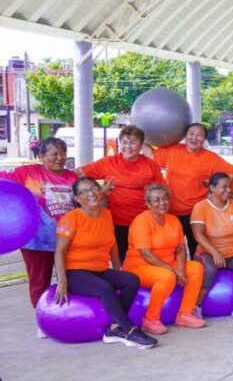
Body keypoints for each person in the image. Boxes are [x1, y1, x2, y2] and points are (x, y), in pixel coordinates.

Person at [53, 177, 156, 349]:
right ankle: (129, 330)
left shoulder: (106, 214)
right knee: (104, 288)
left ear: (100, 191)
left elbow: (113, 244)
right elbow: (59, 251)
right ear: (77, 199)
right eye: (84, 192)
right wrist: (62, 281)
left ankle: (115, 328)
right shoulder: (69, 219)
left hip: (99, 269)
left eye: (93, 188)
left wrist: (118, 269)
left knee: (131, 280)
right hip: (75, 272)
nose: (91, 194)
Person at [0, 137, 78, 314]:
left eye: (63, 153)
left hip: (67, 240)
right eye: (54, 154)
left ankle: (63, 314)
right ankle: (41, 315)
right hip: (37, 241)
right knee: (39, 281)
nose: (60, 158)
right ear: (42, 156)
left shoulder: (72, 176)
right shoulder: (26, 172)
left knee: (69, 279)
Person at [124, 184, 206, 335]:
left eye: (165, 198)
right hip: (140, 266)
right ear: (148, 204)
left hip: (167, 264)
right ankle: (151, 319)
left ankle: (185, 314)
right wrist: (175, 271)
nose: (162, 203)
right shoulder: (141, 221)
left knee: (196, 268)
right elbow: (146, 254)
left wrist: (181, 268)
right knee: (166, 276)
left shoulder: (173, 220)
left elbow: (181, 248)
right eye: (156, 200)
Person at [78, 126, 166, 259]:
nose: (128, 147)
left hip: (144, 221)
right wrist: (98, 191)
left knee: (143, 258)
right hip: (116, 222)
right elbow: (78, 173)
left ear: (141, 145)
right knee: (121, 259)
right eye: (124, 142)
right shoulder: (108, 162)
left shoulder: (150, 165)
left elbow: (162, 191)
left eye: (132, 142)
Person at [152, 123, 233, 257]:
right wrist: (144, 139)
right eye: (191, 133)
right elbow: (149, 159)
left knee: (196, 250)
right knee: (171, 249)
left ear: (204, 139)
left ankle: (197, 275)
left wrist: (214, 188)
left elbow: (232, 172)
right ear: (185, 136)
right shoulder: (173, 150)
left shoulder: (210, 157)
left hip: (195, 212)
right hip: (170, 210)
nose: (194, 137)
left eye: (199, 135)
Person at [190, 172, 233, 320]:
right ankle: (196, 306)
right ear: (212, 188)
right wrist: (215, 252)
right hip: (208, 252)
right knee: (209, 268)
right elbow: (198, 235)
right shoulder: (201, 207)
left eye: (230, 187)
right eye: (224, 187)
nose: (229, 190)